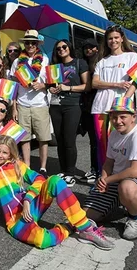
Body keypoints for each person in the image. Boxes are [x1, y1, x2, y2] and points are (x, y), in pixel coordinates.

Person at [0, 135, 115, 251]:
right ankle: (70, 227)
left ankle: (85, 227)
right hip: (16, 221)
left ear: (11, 154)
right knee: (43, 241)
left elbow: (39, 178)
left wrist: (28, 199)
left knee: (55, 181)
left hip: (31, 206)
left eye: (5, 153)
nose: (0, 155)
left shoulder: (18, 165)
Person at [83, 96, 137, 240]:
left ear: (133, 116)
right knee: (85, 215)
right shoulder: (113, 134)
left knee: (127, 188)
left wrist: (108, 180)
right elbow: (108, 162)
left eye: (123, 117)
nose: (118, 121)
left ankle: (133, 218)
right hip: (117, 179)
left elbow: (135, 171)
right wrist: (103, 179)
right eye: (113, 117)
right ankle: (115, 205)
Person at [91, 25, 137, 173]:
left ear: (122, 39)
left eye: (116, 38)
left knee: (120, 144)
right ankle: (103, 177)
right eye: (110, 38)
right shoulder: (102, 61)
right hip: (100, 107)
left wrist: (124, 100)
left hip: (120, 107)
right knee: (102, 144)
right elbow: (94, 83)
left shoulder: (132, 56)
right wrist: (116, 84)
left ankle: (118, 176)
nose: (113, 41)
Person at [48, 39, 89, 187]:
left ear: (69, 48)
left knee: (69, 140)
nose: (61, 50)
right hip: (55, 105)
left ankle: (70, 173)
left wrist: (69, 89)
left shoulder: (79, 63)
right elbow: (51, 86)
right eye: (58, 48)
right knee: (59, 139)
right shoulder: (54, 67)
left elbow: (87, 86)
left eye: (64, 47)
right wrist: (50, 88)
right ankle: (63, 170)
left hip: (72, 105)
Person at [10, 30, 50, 172]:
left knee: (43, 137)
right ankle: (26, 166)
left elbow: (51, 82)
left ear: (37, 43)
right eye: (27, 42)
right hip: (22, 104)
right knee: (25, 137)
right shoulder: (17, 61)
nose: (30, 45)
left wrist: (42, 85)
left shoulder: (45, 59)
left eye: (33, 42)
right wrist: (14, 108)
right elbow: (13, 86)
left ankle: (43, 167)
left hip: (40, 104)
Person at [79, 38, 100, 184]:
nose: (89, 50)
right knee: (93, 141)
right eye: (86, 48)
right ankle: (94, 169)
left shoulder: (100, 63)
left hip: (98, 105)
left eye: (91, 47)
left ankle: (98, 170)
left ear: (97, 49)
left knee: (97, 141)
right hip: (85, 107)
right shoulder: (82, 63)